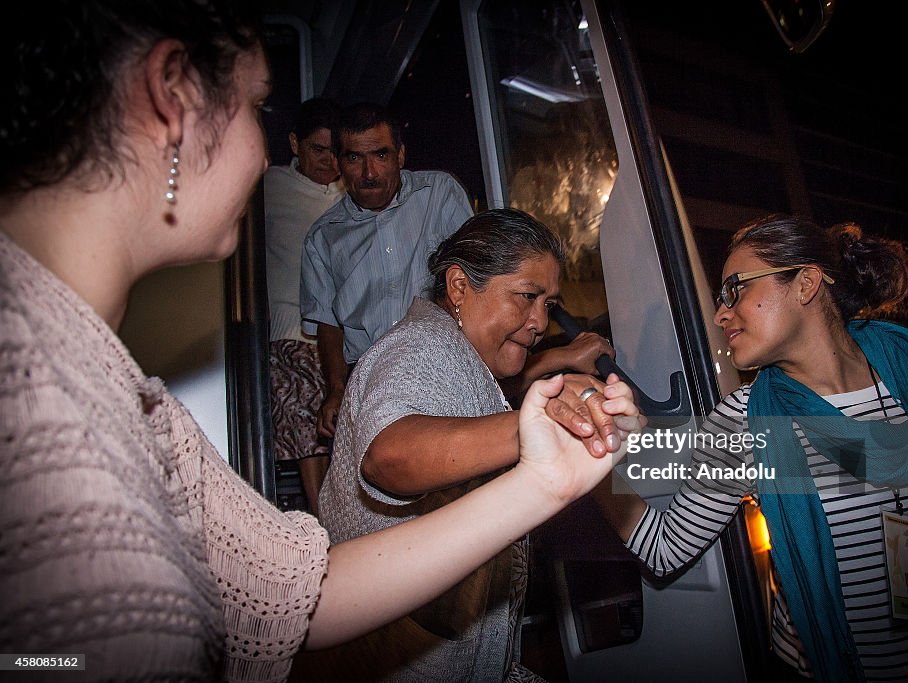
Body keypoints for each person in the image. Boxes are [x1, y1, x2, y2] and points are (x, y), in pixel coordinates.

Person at [0, 3, 643, 681]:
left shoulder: (132, 402)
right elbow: (385, 451)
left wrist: (545, 482)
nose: (266, 150)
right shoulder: (35, 396)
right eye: (257, 107)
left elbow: (301, 599)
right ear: (174, 98)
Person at [592, 214, 908, 681]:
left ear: (806, 284)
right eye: (720, 299)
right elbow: (665, 549)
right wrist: (586, 468)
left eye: (735, 289)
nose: (720, 313)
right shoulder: (742, 422)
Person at [306, 208, 622, 682]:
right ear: (458, 287)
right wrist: (533, 427)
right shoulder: (422, 347)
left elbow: (478, 406)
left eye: (548, 305)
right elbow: (389, 456)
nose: (539, 321)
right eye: (527, 297)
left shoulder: (462, 360)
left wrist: (552, 366)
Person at [298, 102, 474, 442]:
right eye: (354, 158)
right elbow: (327, 324)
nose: (369, 172)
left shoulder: (438, 193)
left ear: (401, 156)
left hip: (450, 365)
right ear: (338, 163)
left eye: (381, 155)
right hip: (373, 385)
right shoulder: (322, 238)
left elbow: (478, 274)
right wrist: (336, 390)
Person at [264, 96, 345, 517]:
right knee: (304, 412)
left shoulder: (351, 191)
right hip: (289, 326)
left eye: (336, 151)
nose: (329, 161)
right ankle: (322, 521)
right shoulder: (269, 186)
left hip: (344, 332)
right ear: (295, 144)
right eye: (318, 150)